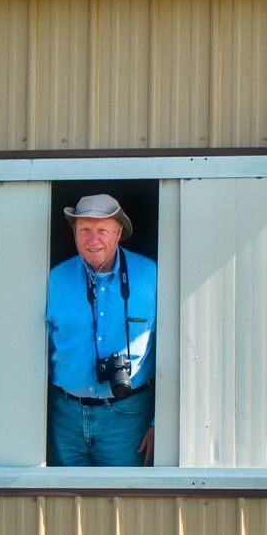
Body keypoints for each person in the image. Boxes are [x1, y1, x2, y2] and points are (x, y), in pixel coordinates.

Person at [46, 194, 157, 467]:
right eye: (85, 230)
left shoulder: (153, 276)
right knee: (64, 503)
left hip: (128, 418)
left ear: (118, 232)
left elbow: (177, 351)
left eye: (102, 230)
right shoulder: (52, 278)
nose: (93, 239)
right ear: (74, 233)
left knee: (123, 503)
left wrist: (160, 423)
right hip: (65, 417)